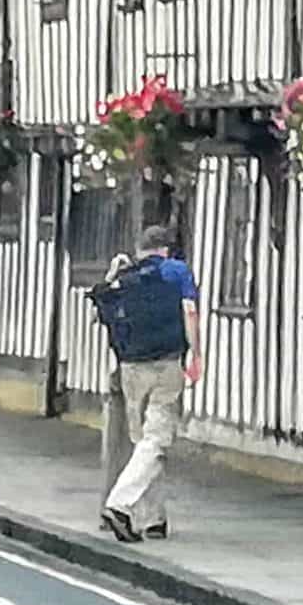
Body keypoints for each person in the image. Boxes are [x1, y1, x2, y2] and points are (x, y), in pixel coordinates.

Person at [93, 224, 203, 544]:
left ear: (140, 248)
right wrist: (196, 355)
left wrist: (113, 275)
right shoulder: (177, 271)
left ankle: (154, 519)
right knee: (155, 441)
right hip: (167, 364)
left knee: (144, 442)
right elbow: (190, 312)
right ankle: (120, 504)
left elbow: (102, 309)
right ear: (166, 249)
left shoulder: (125, 275)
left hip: (130, 368)